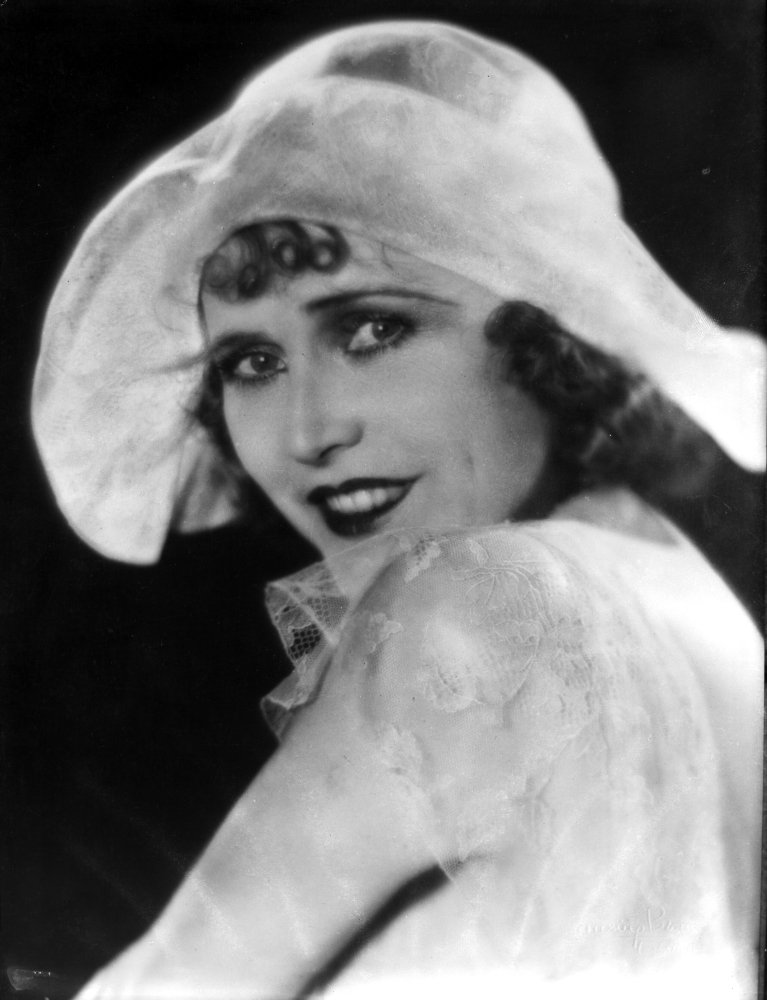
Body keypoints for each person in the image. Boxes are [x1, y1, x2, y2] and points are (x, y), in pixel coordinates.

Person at [31, 20, 763, 1000]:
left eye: (372, 328)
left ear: (546, 331)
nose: (308, 431)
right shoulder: (674, 579)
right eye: (252, 361)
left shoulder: (471, 601)